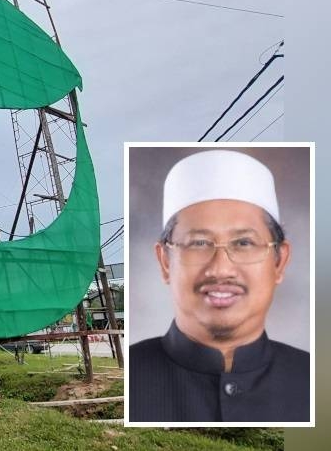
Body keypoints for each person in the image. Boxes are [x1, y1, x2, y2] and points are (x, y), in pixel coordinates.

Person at [129, 149, 310, 423]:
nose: (221, 269)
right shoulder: (131, 376)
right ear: (165, 261)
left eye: (244, 243)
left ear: (280, 261)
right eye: (198, 243)